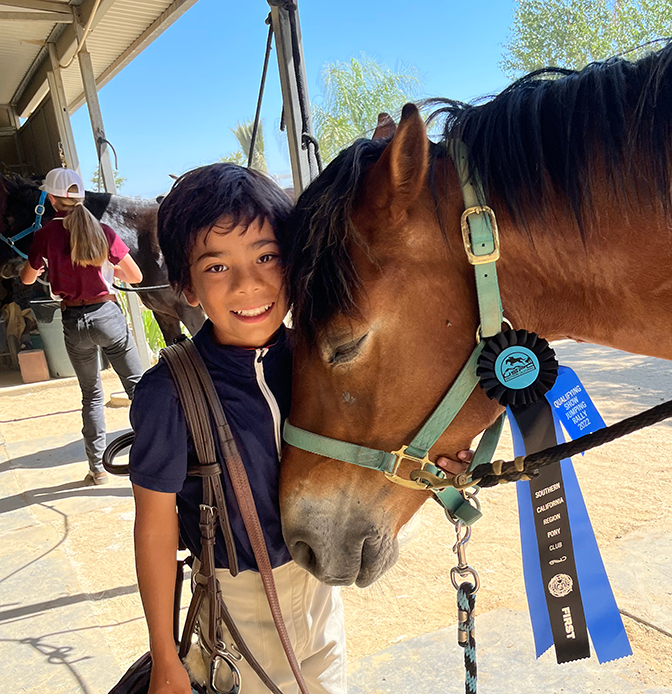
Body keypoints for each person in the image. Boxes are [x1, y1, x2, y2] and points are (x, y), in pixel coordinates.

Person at [129, 163, 470, 694]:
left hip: (317, 592)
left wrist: (434, 464)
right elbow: (154, 527)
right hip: (236, 605)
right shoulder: (168, 393)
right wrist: (164, 658)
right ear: (185, 288)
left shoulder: (319, 356)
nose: (249, 284)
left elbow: (374, 438)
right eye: (217, 267)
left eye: (267, 256)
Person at [20, 167, 143, 485]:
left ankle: (98, 469)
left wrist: (48, 267)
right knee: (139, 391)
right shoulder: (102, 230)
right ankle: (155, 455)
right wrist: (105, 271)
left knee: (91, 395)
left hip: (74, 322)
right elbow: (135, 276)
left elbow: (26, 278)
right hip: (107, 315)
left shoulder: (45, 235)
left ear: (50, 198)